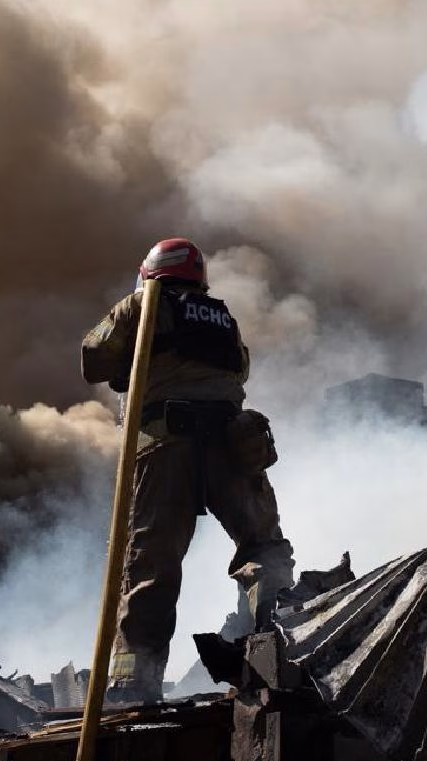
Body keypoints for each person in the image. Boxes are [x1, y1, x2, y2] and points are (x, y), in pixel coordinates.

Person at [81, 237, 296, 704]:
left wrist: (136, 360)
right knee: (263, 545)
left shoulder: (142, 304)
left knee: (151, 567)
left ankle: (133, 682)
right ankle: (276, 643)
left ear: (150, 273)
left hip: (165, 446)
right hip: (231, 443)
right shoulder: (222, 318)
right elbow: (238, 371)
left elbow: (92, 358)